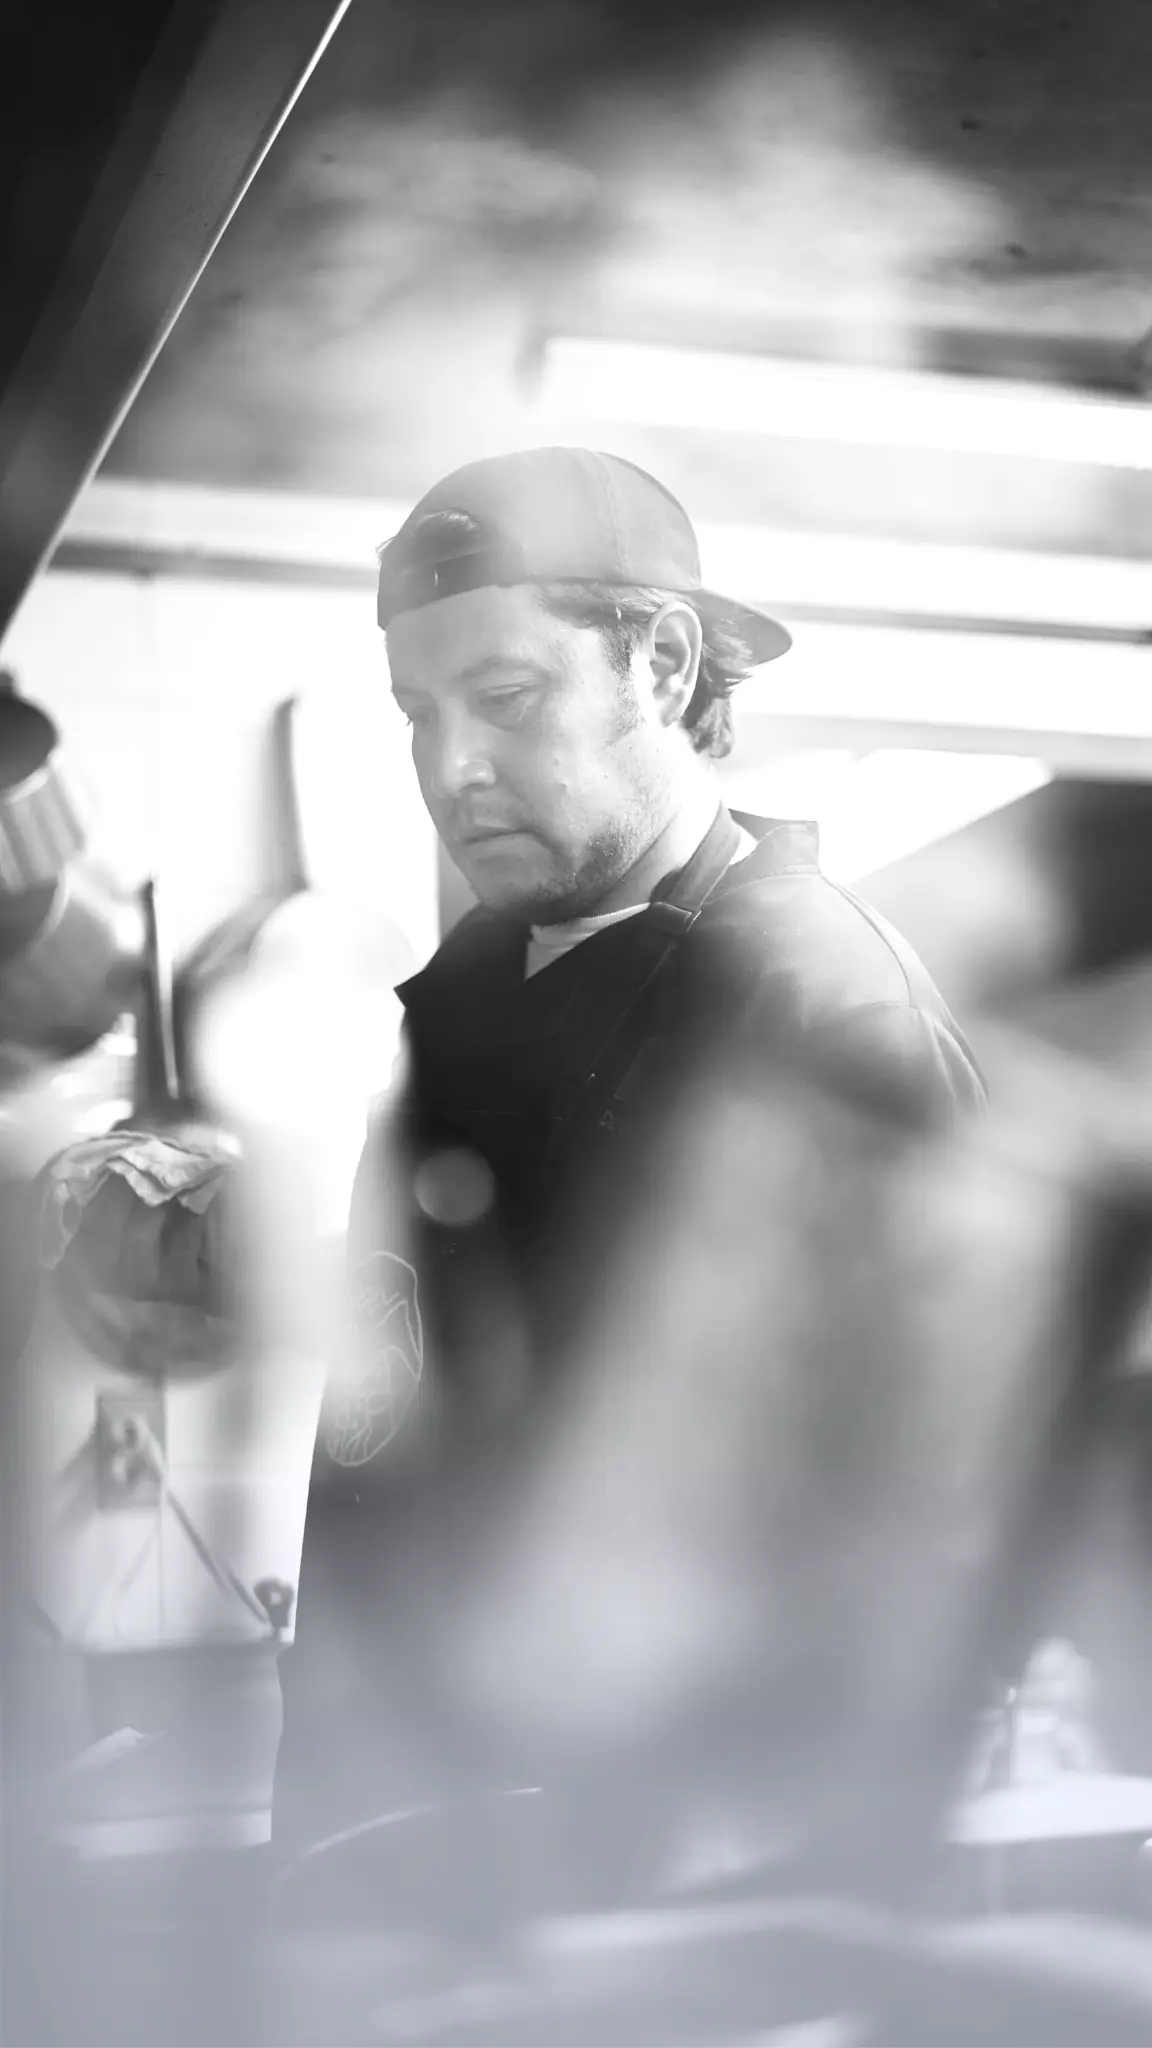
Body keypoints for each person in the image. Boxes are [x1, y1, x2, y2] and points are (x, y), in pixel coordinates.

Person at [273, 446, 986, 1901]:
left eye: (509, 698)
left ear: (661, 663)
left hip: (660, 1905)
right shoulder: (452, 1007)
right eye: (418, 714)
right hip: (401, 1852)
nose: (448, 768)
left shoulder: (814, 1008)